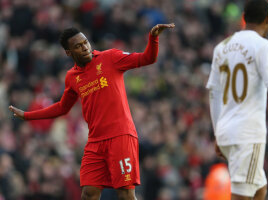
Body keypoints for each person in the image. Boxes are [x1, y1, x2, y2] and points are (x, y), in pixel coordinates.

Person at [9, 23, 175, 200]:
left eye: (85, 42)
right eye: (78, 46)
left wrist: (153, 38)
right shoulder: (72, 77)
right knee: (88, 194)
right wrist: (27, 116)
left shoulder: (111, 57)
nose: (85, 48)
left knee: (125, 194)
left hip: (120, 136)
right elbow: (62, 107)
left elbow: (147, 58)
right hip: (95, 142)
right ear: (68, 52)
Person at [206, 1, 268, 200]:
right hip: (248, 134)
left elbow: (213, 93)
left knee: (260, 188)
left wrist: (218, 132)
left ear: (244, 17)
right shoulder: (263, 46)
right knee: (242, 196)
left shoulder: (222, 47)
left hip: (227, 131)